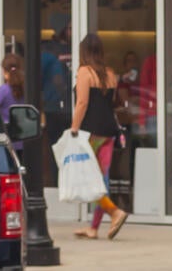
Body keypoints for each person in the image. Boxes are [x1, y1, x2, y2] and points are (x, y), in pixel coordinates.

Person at [69, 32, 128, 240]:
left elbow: (82, 103)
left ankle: (114, 212)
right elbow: (111, 103)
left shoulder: (85, 72)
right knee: (101, 178)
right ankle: (94, 228)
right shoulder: (111, 74)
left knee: (90, 178)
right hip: (109, 131)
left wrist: (73, 129)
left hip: (91, 131)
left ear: (83, 52)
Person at [0, 53, 25, 128]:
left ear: (4, 72)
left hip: (7, 134)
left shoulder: (2, 91)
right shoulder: (26, 89)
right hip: (23, 134)